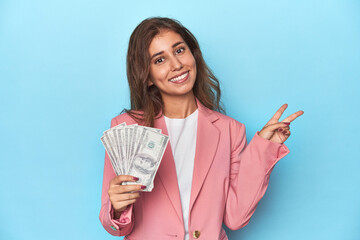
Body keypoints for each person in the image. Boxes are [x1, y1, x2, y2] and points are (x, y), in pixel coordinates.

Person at [99, 17, 303, 240]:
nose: (176, 65)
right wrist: (116, 208)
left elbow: (236, 217)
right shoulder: (126, 129)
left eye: (179, 50)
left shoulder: (230, 131)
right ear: (147, 77)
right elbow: (116, 227)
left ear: (193, 54)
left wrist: (265, 148)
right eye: (159, 60)